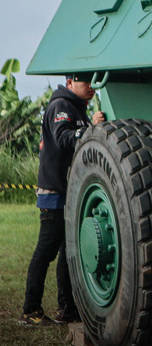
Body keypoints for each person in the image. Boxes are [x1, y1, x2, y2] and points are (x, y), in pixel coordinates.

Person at [19, 75, 105, 326]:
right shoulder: (61, 106)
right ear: (69, 83)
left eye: (92, 81)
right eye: (84, 81)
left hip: (68, 191)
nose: (90, 86)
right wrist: (91, 129)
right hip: (54, 192)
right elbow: (63, 138)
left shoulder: (77, 108)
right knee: (45, 251)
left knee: (68, 252)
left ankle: (67, 309)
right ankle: (30, 311)